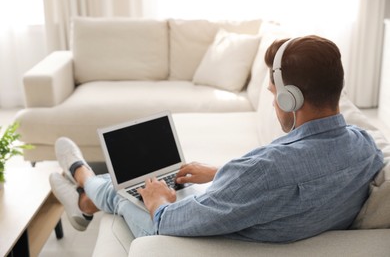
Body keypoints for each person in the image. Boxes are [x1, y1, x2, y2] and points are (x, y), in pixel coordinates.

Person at [50, 35, 384, 243]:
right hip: (271, 213)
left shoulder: (263, 170)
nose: (273, 101)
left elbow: (172, 221)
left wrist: (156, 201)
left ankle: (83, 180)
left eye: (274, 93)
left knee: (128, 192)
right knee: (143, 184)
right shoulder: (365, 147)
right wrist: (220, 173)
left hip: (208, 236)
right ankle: (84, 201)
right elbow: (283, 182)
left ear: (290, 100)